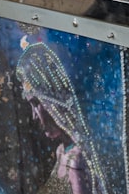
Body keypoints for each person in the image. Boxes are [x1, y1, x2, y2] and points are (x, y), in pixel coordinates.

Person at [16, 40, 110, 194]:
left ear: (51, 100)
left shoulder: (76, 158)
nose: (34, 116)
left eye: (36, 103)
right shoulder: (62, 151)